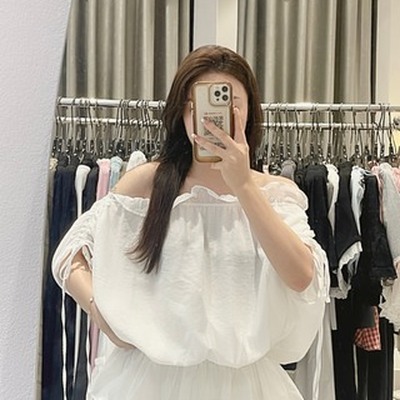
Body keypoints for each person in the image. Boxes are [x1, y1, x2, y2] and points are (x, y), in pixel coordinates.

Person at [52, 45, 329, 399]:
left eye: (229, 103)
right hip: (149, 381)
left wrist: (243, 186)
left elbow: (302, 276)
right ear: (181, 112)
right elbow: (69, 252)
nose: (211, 117)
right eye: (195, 105)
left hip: (245, 385)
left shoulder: (274, 193)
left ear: (248, 111)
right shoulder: (148, 183)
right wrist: (101, 313)